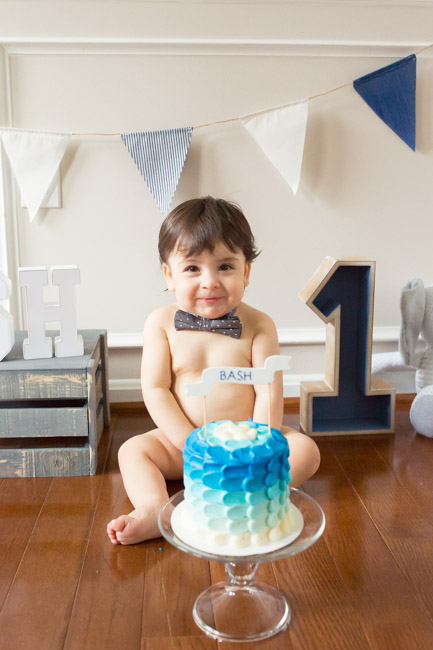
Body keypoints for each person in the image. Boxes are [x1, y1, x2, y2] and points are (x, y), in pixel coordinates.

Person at [107, 197, 320, 545]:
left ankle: (249, 493)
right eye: (192, 268)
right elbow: (156, 389)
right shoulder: (160, 323)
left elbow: (268, 391)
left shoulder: (260, 324)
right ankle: (154, 509)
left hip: (248, 445)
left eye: (225, 267)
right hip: (186, 445)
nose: (210, 281)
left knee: (306, 450)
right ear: (169, 274)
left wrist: (259, 447)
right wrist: (188, 442)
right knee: (133, 450)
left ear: (246, 271)